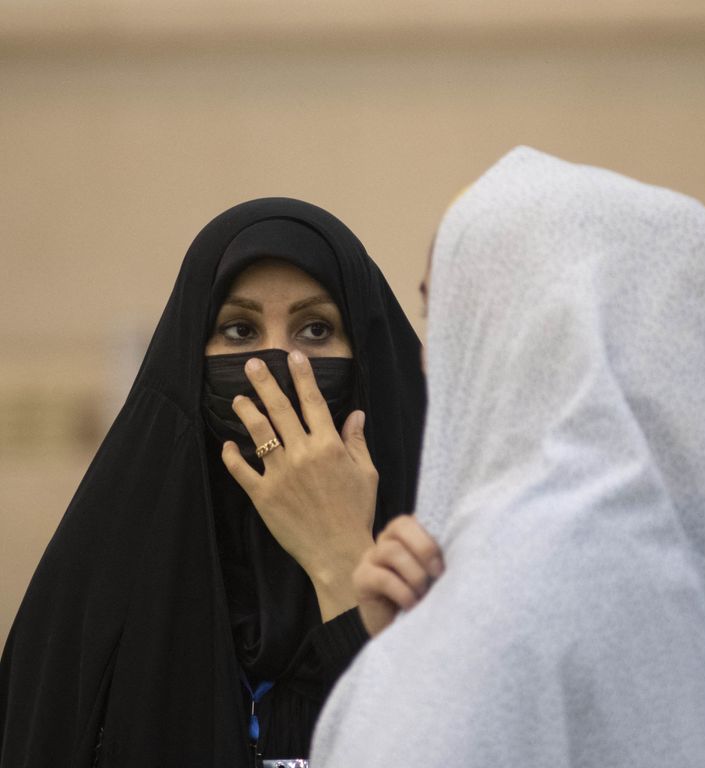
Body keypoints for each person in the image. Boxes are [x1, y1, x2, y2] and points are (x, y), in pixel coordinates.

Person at [310, 147, 705, 767]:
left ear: (529, 329)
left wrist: (413, 662)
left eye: (449, 314)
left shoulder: (498, 611)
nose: (429, 356)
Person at [0, 198, 426, 767]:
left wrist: (342, 562)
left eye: (316, 329)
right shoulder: (101, 590)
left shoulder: (444, 563)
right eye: (239, 329)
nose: (274, 363)